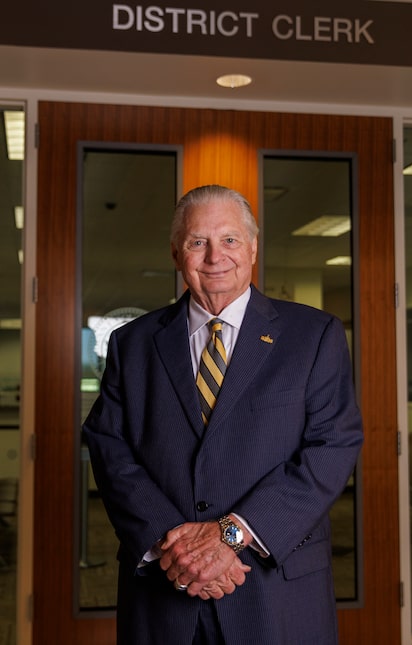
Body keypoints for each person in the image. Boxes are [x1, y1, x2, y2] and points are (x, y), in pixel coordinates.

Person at [83, 184, 363, 645]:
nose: (215, 255)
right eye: (198, 242)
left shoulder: (313, 335)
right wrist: (178, 546)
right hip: (165, 588)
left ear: (253, 247)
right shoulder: (131, 344)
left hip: (274, 591)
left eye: (230, 239)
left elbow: (333, 447)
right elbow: (110, 448)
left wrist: (228, 538)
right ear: (177, 253)